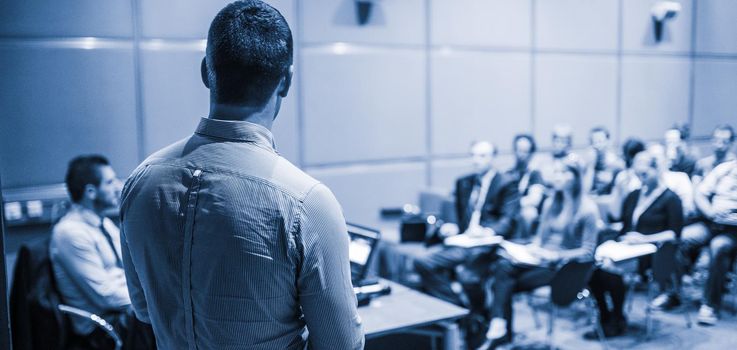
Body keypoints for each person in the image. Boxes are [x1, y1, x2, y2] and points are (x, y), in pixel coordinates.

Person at [118, 1, 363, 349]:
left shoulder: (140, 182)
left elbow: (144, 309)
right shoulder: (307, 203)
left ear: (205, 71)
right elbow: (342, 345)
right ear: (287, 81)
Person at [479, 158, 599, 349]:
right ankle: (500, 329)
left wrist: (556, 256)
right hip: (540, 260)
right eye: (556, 172)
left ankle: (500, 330)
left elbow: (588, 251)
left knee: (501, 282)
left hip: (562, 268)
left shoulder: (588, 209)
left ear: (576, 178)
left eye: (563, 172)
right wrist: (533, 248)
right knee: (503, 266)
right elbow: (540, 238)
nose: (557, 177)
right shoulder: (551, 203)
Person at [50, 155, 154, 349]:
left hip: (124, 311)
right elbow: (105, 296)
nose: (118, 186)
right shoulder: (70, 233)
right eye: (109, 182)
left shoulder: (102, 223)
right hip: (103, 327)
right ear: (91, 191)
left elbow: (129, 265)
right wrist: (151, 299)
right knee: (167, 319)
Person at [587, 150, 683, 338]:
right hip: (626, 249)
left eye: (645, 173)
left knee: (609, 272)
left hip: (652, 254)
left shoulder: (671, 198)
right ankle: (605, 316)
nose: (642, 177)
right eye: (639, 174)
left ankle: (617, 318)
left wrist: (644, 238)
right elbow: (618, 219)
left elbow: (674, 233)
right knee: (592, 269)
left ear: (657, 170)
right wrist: (618, 189)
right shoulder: (634, 195)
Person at [414, 141, 519, 306]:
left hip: (486, 244)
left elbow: (508, 220)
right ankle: (459, 308)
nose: (476, 160)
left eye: (482, 156)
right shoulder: (464, 182)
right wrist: (452, 225)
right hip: (463, 241)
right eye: (473, 155)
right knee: (422, 261)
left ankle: (478, 314)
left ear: (493, 158)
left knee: (468, 277)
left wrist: (487, 231)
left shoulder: (506, 183)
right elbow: (457, 213)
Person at [694, 156, 737, 326]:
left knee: (719, 247)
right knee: (680, 237)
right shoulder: (724, 169)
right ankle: (672, 294)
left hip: (733, 231)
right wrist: (710, 212)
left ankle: (710, 305)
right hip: (711, 223)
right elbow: (700, 193)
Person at [506, 134, 545, 241]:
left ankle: (523, 242)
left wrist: (512, 204)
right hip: (507, 209)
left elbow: (534, 200)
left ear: (531, 153)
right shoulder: (507, 173)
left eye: (524, 151)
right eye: (518, 150)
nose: (520, 154)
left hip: (521, 209)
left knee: (529, 212)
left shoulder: (534, 174)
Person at [584, 126, 624, 196]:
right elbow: (585, 191)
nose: (596, 146)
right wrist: (590, 166)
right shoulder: (586, 164)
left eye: (600, 141)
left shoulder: (617, 165)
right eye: (593, 142)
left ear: (608, 142)